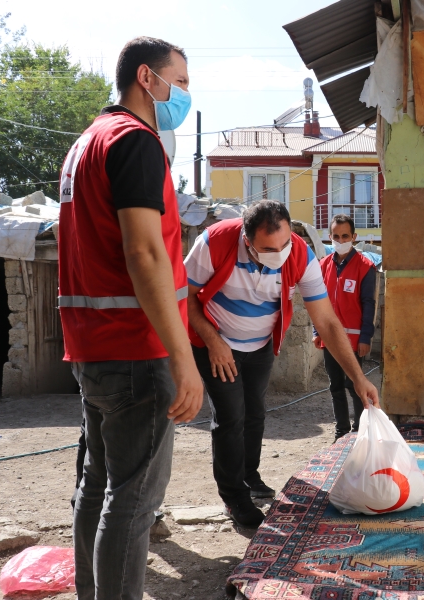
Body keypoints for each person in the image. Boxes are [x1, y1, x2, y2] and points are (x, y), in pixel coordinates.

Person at [58, 37, 203, 600]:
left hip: (91, 350)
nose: (184, 95)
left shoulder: (85, 144)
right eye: (181, 82)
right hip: (136, 350)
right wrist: (183, 359)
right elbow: (144, 255)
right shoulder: (136, 143)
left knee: (98, 485)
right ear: (148, 77)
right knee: (134, 498)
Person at [184, 200, 380, 528]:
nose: (279, 253)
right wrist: (212, 340)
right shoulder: (215, 241)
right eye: (266, 248)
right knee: (231, 417)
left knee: (255, 412)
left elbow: (328, 322)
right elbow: (182, 295)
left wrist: (358, 378)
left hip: (261, 344)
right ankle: (234, 497)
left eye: (284, 244)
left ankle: (250, 476)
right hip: (215, 342)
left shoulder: (300, 254)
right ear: (246, 239)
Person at [312, 214, 377, 440]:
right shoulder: (321, 267)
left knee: (355, 385)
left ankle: (359, 431)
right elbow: (315, 302)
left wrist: (366, 338)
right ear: (330, 237)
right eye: (336, 236)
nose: (340, 240)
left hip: (354, 340)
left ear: (354, 237)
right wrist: (315, 331)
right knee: (335, 386)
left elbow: (369, 304)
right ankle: (341, 432)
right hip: (330, 339)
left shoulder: (365, 267)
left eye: (345, 236)